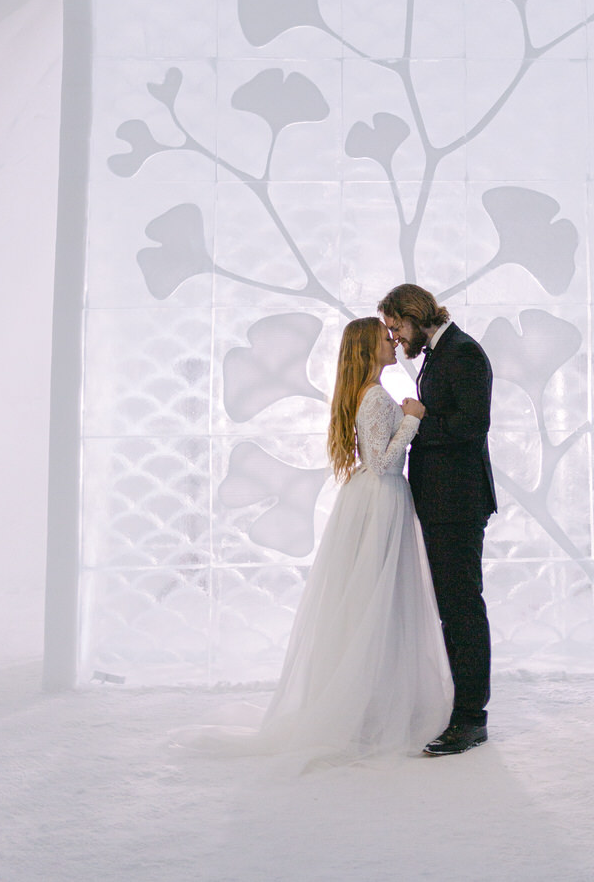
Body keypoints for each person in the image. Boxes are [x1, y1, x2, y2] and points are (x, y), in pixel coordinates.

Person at [179, 316, 452, 764]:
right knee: (377, 600)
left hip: (376, 498)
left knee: (373, 600)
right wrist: (412, 419)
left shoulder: (367, 393)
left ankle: (371, 702)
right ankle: (371, 708)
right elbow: (382, 463)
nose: (392, 341)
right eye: (384, 338)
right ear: (366, 349)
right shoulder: (375, 397)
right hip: (380, 498)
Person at [378, 284, 497, 756]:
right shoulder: (440, 351)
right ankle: (462, 710)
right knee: (453, 606)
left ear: (414, 314)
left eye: (396, 327)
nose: (395, 337)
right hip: (441, 503)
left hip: (457, 504)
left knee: (462, 608)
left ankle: (471, 719)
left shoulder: (463, 353)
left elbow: (472, 424)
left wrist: (413, 426)